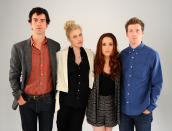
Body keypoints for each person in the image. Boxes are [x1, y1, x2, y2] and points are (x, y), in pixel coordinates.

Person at [9, 7, 60, 131]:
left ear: (47, 24)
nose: (38, 23)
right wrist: (19, 98)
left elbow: (59, 74)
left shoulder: (55, 46)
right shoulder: (18, 48)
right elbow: (13, 76)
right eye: (35, 20)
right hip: (26, 101)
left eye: (42, 20)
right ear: (30, 23)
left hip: (48, 101)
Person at [119, 17, 163, 131]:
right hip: (123, 112)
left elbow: (157, 83)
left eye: (137, 30)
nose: (134, 33)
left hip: (143, 112)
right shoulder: (121, 56)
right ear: (126, 34)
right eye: (131, 31)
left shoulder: (152, 55)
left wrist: (150, 107)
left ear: (142, 32)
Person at [55, 20, 94, 131]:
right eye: (75, 36)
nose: (79, 39)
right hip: (64, 103)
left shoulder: (90, 54)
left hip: (81, 104)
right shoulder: (60, 55)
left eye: (80, 35)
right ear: (69, 39)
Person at [86, 33, 121, 131]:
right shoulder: (94, 61)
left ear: (114, 46)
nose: (107, 47)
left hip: (111, 104)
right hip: (96, 103)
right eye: (104, 44)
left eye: (110, 44)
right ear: (100, 46)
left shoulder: (118, 63)